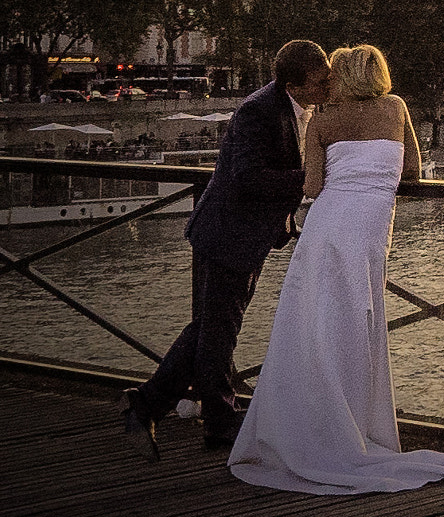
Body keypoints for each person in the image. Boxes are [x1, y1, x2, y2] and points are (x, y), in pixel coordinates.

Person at [228, 44, 444, 494]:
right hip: (369, 235)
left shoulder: (323, 119)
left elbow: (311, 186)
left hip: (327, 229)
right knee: (357, 328)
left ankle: (312, 428)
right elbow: (412, 174)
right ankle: (353, 425)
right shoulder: (397, 108)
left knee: (311, 329)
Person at [121, 40, 330, 459]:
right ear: (295, 82)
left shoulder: (294, 106)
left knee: (211, 329)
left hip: (242, 234)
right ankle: (206, 419)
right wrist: (308, 179)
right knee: (219, 330)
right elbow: (248, 176)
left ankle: (161, 406)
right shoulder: (259, 110)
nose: (327, 85)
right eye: (320, 80)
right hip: (227, 233)